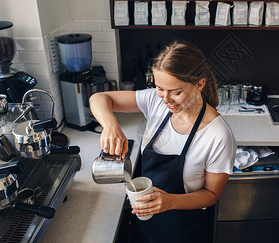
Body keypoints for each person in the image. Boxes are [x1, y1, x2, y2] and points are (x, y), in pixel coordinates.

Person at [89, 40, 236, 243]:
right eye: (159, 88)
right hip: (145, 224)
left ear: (199, 84)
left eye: (176, 92)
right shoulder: (155, 102)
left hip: (183, 231)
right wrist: (110, 125)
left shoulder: (218, 135)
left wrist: (170, 201)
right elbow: (99, 98)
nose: (166, 99)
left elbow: (211, 194)